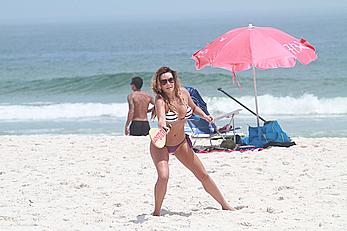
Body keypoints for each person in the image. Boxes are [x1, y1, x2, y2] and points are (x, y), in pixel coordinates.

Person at [150, 66, 234, 216]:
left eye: (171, 80)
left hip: (181, 143)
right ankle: (156, 212)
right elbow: (161, 118)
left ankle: (225, 204)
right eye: (164, 82)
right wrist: (162, 126)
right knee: (163, 176)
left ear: (175, 80)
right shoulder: (160, 100)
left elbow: (194, 108)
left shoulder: (183, 93)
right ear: (159, 84)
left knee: (203, 175)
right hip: (161, 144)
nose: (168, 84)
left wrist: (205, 116)